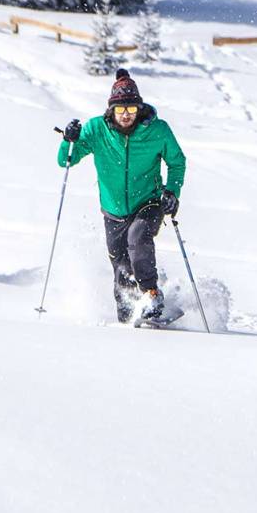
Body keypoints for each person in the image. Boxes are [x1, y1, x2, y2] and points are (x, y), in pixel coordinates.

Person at [58, 68, 187, 323]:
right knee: (122, 271)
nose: (126, 116)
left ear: (140, 109)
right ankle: (128, 321)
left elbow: (177, 161)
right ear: (111, 111)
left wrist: (172, 190)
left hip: (148, 202)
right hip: (113, 210)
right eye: (120, 110)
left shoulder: (157, 131)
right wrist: (68, 140)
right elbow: (66, 160)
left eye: (131, 110)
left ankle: (152, 295)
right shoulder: (97, 130)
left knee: (138, 237)